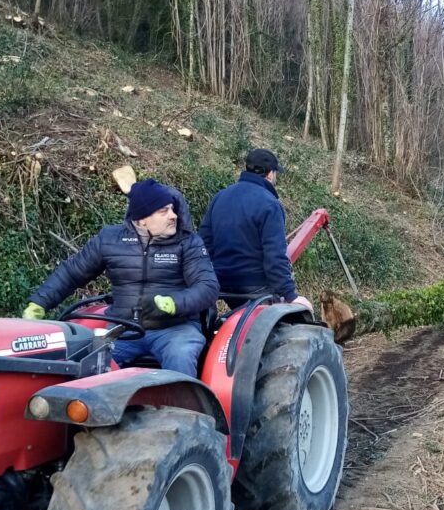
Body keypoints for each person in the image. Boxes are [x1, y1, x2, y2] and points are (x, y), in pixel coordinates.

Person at [22, 179, 219, 376]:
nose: (173, 215)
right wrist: (39, 303)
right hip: (123, 329)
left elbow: (207, 286)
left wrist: (174, 302)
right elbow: (72, 272)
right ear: (142, 219)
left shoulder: (189, 243)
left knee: (181, 355)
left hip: (176, 329)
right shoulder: (110, 239)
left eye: (172, 209)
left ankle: (184, 406)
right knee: (87, 362)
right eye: (164, 211)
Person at [200, 147, 308, 309]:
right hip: (255, 287)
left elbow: (203, 245)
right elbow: (275, 257)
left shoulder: (220, 197)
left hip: (219, 283)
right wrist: (291, 294)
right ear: (270, 174)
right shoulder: (270, 204)